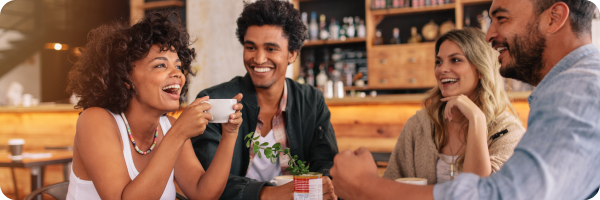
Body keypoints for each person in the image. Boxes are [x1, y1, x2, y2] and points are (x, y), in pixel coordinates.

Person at [330, 0, 600, 199]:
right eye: (438, 61)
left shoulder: (575, 92)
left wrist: (364, 185)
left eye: (502, 18)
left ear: (554, 18)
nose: (490, 35)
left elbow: (495, 196)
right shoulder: (420, 124)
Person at [66, 12, 243, 199]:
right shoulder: (96, 121)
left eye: (178, 66)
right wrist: (179, 134)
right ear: (126, 77)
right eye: (160, 65)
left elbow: (203, 194)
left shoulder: (169, 127)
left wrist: (229, 135)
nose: (177, 74)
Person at [191, 0, 338, 200]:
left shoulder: (312, 101)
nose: (259, 59)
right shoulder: (214, 101)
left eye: (271, 49)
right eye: (251, 47)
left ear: (292, 54)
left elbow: (326, 167)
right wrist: (269, 194)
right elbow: (207, 182)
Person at [383, 28, 526, 185]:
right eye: (438, 62)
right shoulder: (418, 126)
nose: (442, 69)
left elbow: (480, 193)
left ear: (480, 69)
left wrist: (476, 119)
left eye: (455, 60)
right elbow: (389, 187)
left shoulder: (509, 133)